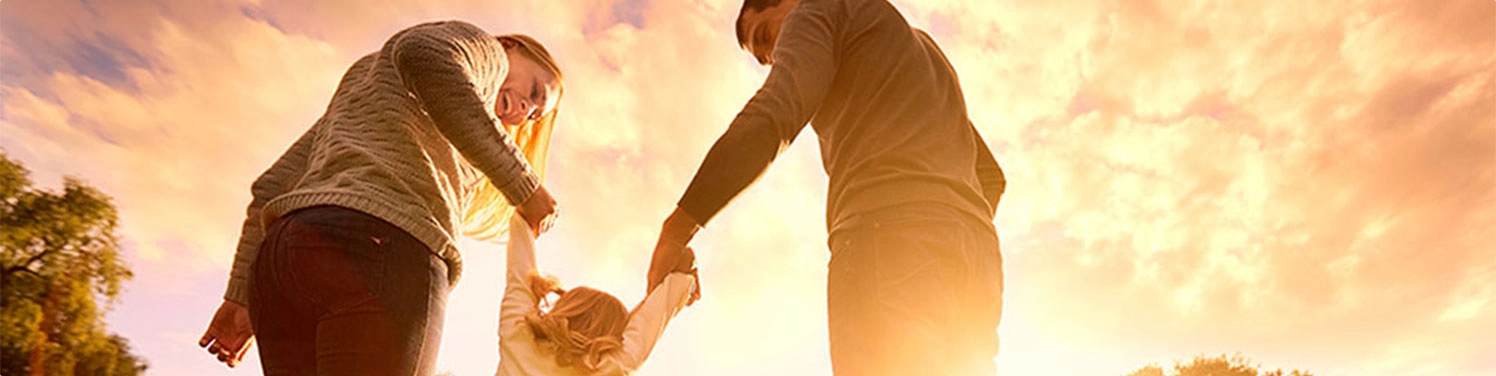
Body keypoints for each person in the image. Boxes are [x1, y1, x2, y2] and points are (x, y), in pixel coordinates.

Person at [644, 0, 1008, 375]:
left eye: (766, 37)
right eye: (765, 59)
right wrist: (944, 225)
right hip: (977, 260)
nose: (774, 56)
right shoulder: (920, 49)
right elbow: (990, 176)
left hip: (886, 237)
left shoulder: (818, 10)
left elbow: (775, 114)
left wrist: (676, 231)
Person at [196, 20, 566, 376]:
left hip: (282, 262)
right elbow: (424, 54)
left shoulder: (370, 82)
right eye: (533, 92)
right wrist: (525, 185)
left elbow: (273, 186)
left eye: (533, 115)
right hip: (383, 248)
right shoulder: (485, 51)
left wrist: (241, 295)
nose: (522, 112)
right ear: (511, 47)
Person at [496, 214, 698, 376]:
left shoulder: (519, 331)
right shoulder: (611, 364)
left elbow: (520, 269)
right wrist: (661, 288)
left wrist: (530, 215)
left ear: (564, 308)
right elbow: (661, 304)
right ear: (617, 333)